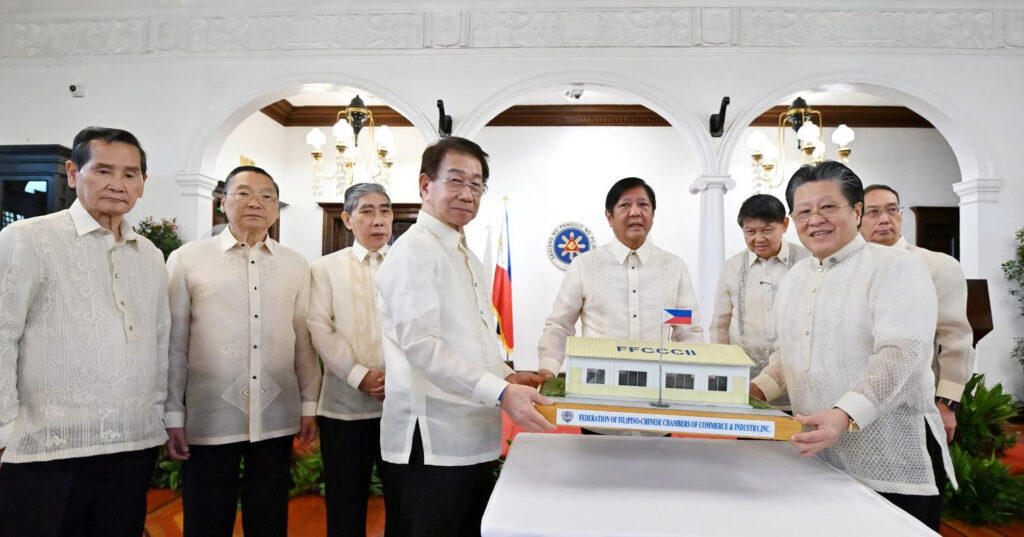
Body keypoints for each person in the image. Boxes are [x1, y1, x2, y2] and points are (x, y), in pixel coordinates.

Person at [749, 161, 954, 531]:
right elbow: (788, 356)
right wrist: (749, 392)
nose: (816, 220)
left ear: (856, 210)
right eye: (804, 212)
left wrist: (845, 414)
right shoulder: (796, 277)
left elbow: (902, 353)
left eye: (828, 207)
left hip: (893, 462)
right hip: (820, 457)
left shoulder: (896, 266)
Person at [376, 137, 554, 537]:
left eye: (476, 185)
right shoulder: (414, 251)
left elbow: (471, 339)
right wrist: (501, 392)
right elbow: (423, 348)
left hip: (473, 432)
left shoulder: (464, 252)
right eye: (455, 181)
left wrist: (506, 377)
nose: (467, 193)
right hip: (432, 441)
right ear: (425, 185)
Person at [0, 126, 170, 537]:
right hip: (46, 446)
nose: (117, 184)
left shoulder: (149, 253)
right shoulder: (28, 239)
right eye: (104, 171)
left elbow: (159, 340)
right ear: (74, 173)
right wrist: (4, 430)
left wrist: (158, 412)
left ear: (143, 184)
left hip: (132, 443)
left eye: (131, 174)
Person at [164, 165, 321, 537]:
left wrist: (308, 405)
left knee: (269, 517)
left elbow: (303, 339)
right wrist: (172, 412)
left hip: (275, 414)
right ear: (223, 202)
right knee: (206, 516)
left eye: (268, 196)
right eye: (244, 193)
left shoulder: (295, 264)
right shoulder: (188, 260)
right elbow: (172, 342)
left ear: (277, 209)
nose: (257, 202)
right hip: (209, 415)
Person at [537, 177, 704, 378]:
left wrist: (693, 374)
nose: (635, 212)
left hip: (657, 385)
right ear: (609, 217)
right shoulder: (585, 265)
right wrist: (548, 370)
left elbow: (687, 330)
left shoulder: (674, 267)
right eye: (625, 205)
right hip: (596, 384)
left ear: (652, 215)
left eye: (643, 205)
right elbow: (560, 326)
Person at [307, 182, 393, 537]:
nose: (378, 220)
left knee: (403, 499)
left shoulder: (408, 266)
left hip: (400, 405)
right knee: (345, 502)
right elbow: (319, 326)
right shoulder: (324, 268)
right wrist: (359, 375)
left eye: (385, 210)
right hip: (343, 408)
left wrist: (397, 377)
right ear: (346, 219)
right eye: (367, 211)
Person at [860, 183, 972, 442]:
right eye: (873, 212)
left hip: (916, 404)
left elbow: (957, 340)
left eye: (891, 210)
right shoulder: (850, 269)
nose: (885, 219)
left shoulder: (937, 266)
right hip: (859, 403)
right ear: (857, 218)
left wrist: (946, 403)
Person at [711, 194, 809, 392]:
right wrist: (722, 371)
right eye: (750, 231)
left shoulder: (807, 261)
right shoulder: (732, 267)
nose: (758, 239)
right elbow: (720, 326)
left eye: (767, 230)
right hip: (744, 380)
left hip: (798, 378)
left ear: (784, 224)